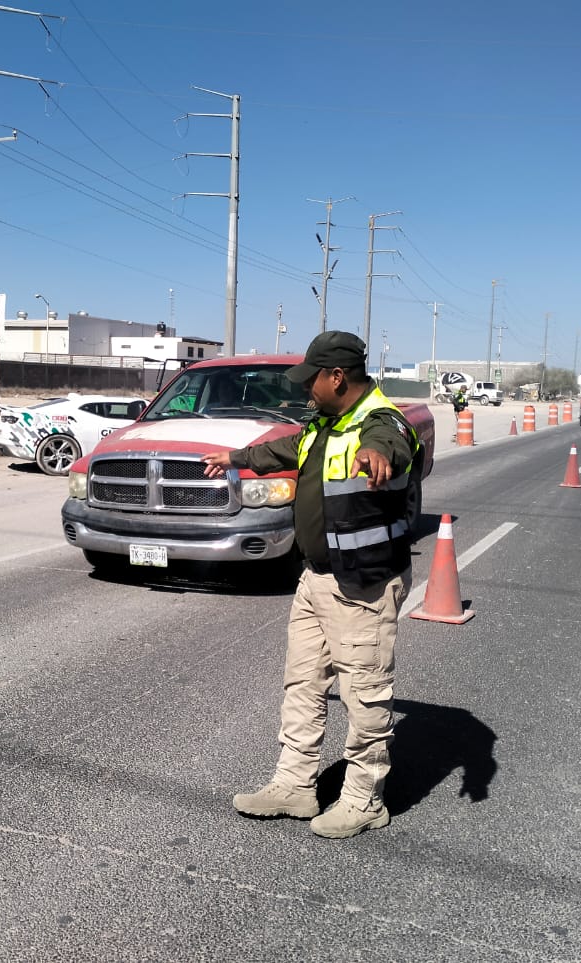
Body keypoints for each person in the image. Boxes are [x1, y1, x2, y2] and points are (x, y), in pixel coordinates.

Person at [201, 331, 417, 839]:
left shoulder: (380, 423)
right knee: (302, 685)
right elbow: (285, 449)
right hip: (316, 578)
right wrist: (235, 459)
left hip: (362, 585)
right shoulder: (325, 423)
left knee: (364, 695)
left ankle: (365, 800)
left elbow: (391, 444)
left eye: (311, 380)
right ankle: (294, 786)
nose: (305, 390)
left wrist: (376, 457)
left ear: (337, 377)